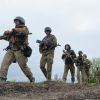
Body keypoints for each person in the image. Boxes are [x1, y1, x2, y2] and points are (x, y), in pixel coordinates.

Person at [0, 16, 35, 82]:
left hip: (20, 50)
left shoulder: (24, 29)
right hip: (11, 50)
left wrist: (12, 31)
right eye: (15, 22)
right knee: (4, 64)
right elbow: (8, 38)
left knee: (23, 66)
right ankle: (2, 80)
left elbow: (24, 31)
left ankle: (31, 78)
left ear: (21, 22)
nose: (15, 23)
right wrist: (4, 36)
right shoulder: (13, 32)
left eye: (17, 21)